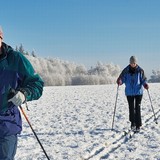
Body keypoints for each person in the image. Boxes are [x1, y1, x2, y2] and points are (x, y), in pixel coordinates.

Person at [0, 27, 44, 159]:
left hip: (6, 123)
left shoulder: (15, 59)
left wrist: (24, 94)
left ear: (1, 38)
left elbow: (36, 83)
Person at [116, 56, 149, 132]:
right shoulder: (125, 71)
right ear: (129, 63)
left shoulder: (140, 71)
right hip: (129, 92)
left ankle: (138, 125)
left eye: (133, 63)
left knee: (137, 108)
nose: (132, 64)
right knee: (131, 108)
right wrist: (120, 81)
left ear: (136, 63)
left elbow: (143, 79)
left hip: (138, 92)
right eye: (131, 63)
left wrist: (145, 85)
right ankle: (133, 123)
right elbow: (122, 79)